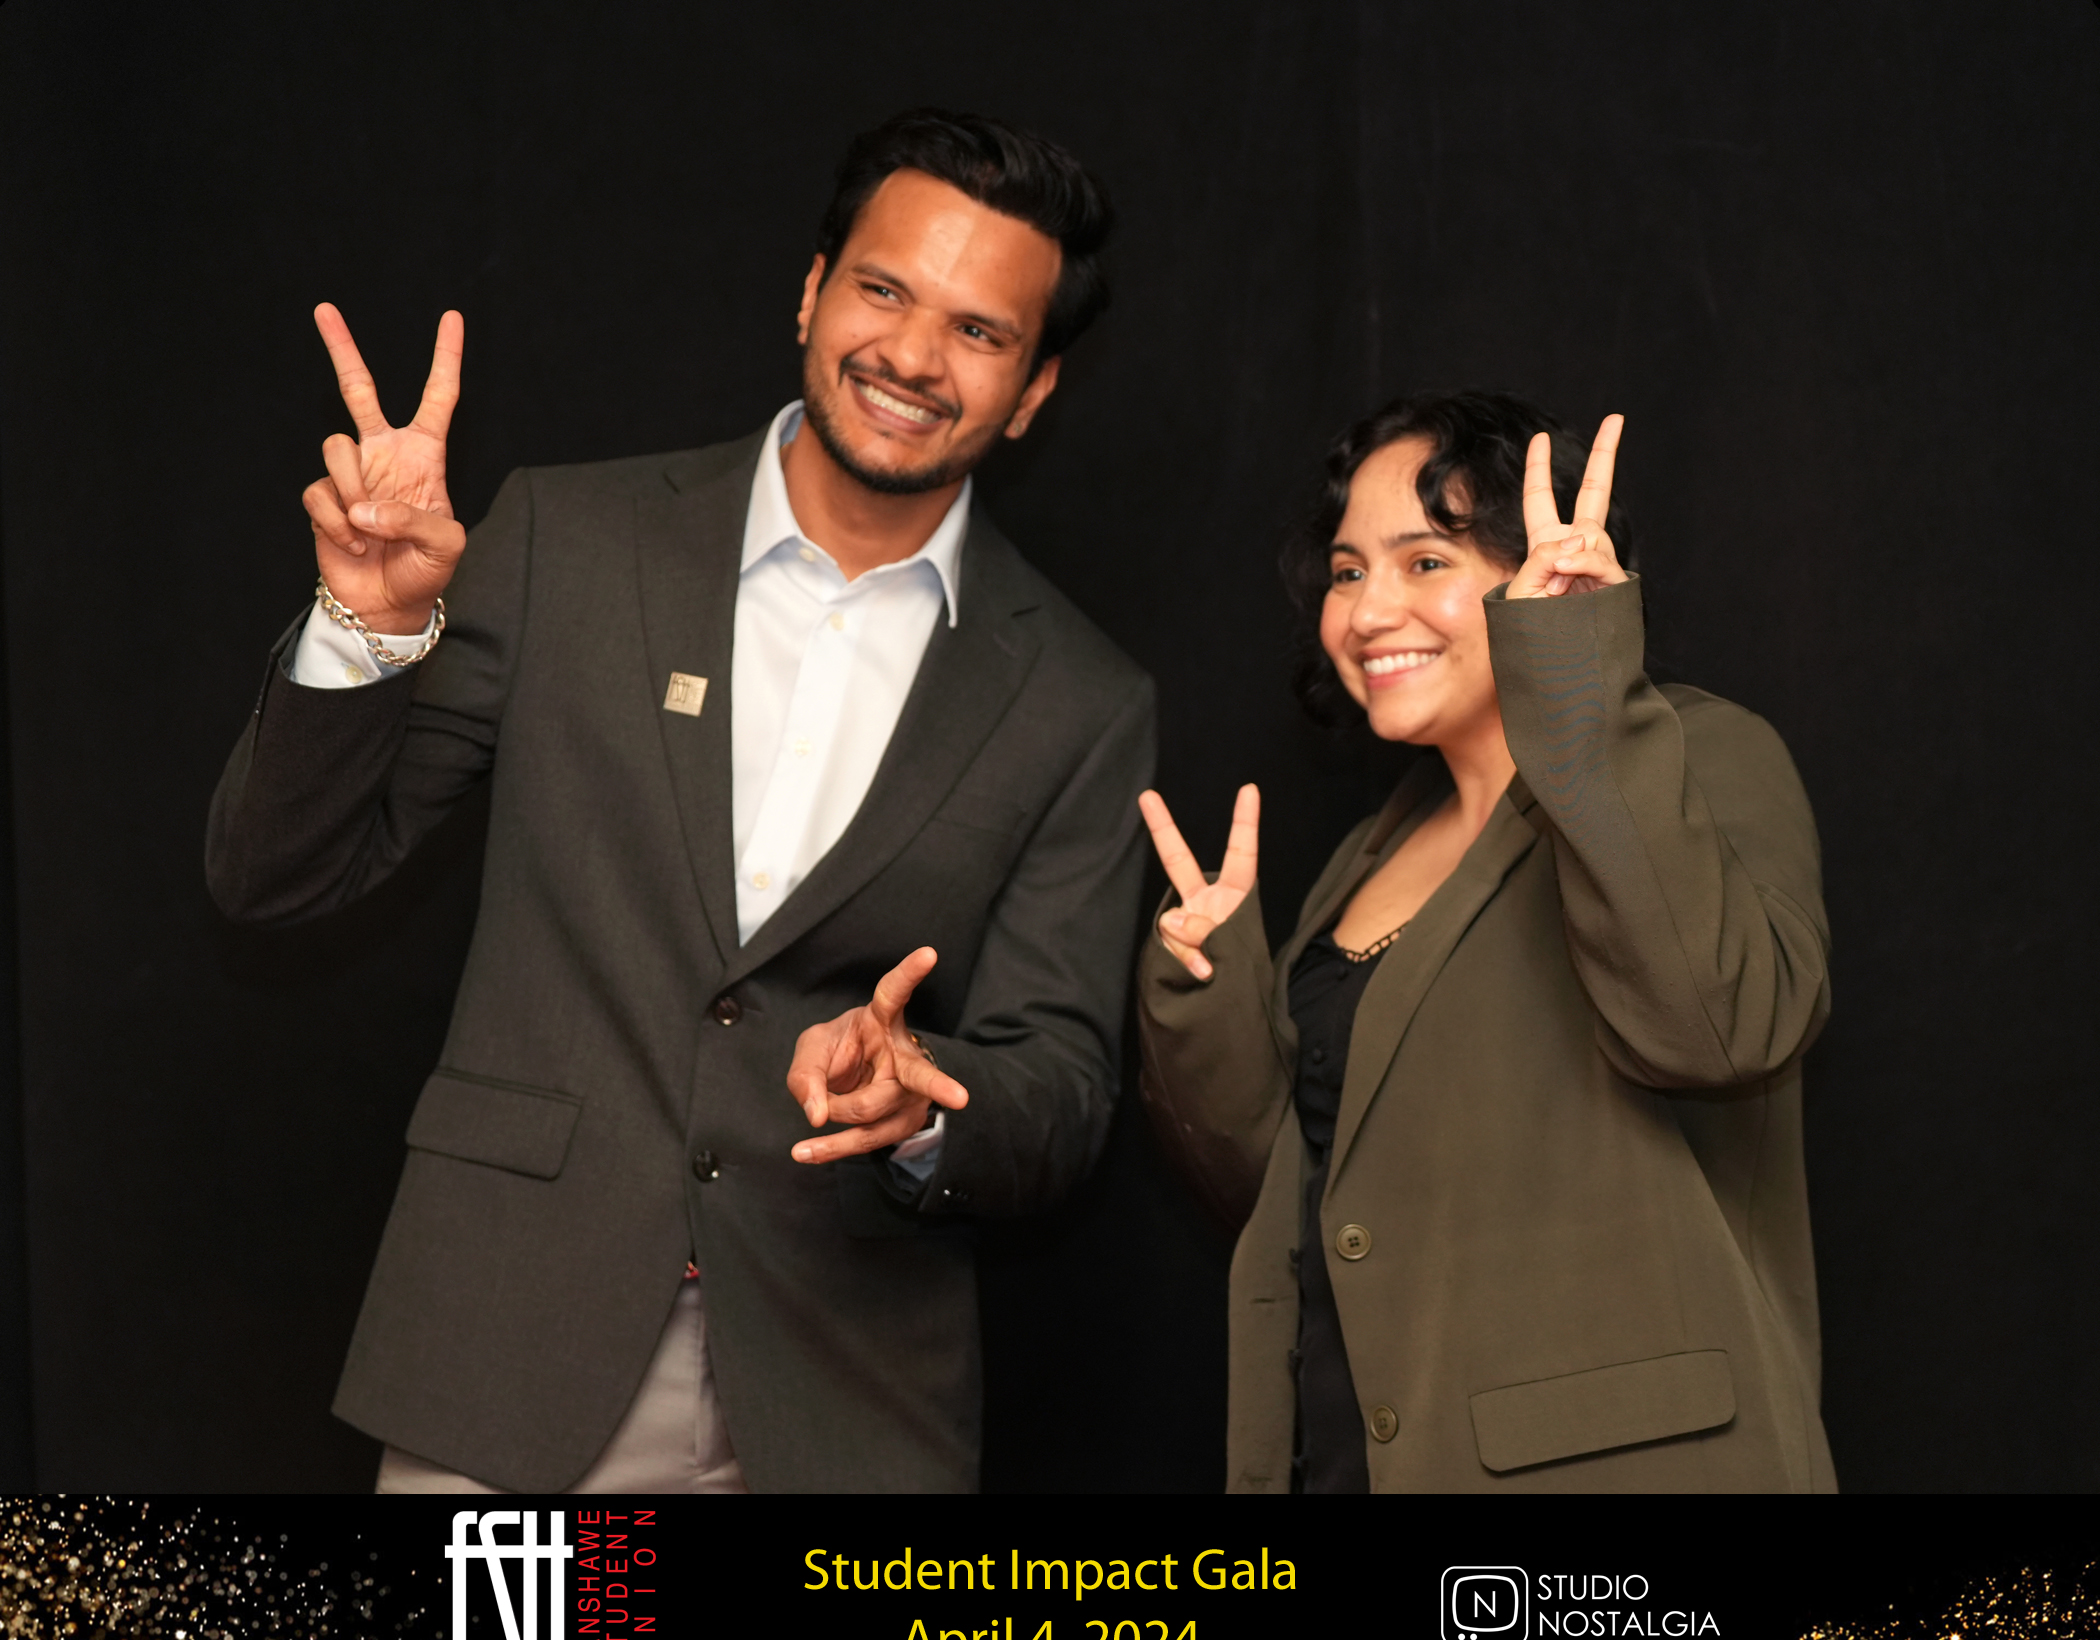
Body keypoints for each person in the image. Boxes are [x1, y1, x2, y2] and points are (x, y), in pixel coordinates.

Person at [207, 110, 1155, 1493]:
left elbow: (1061, 1083)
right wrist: (368, 627)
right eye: (883, 290)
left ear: (1033, 389)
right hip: (509, 1352)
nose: (911, 356)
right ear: (811, 291)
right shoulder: (569, 541)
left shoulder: (1079, 694)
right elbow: (275, 874)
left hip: (847, 1407)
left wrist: (928, 1104)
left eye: (978, 330)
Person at [1135, 392, 1835, 1492]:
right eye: (1348, 570)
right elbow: (1290, 1198)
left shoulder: (1701, 753)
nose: (1369, 611)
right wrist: (1206, 983)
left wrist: (1577, 678)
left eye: (1426, 561)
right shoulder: (1371, 849)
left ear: (1539, 575)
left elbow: (1719, 1029)